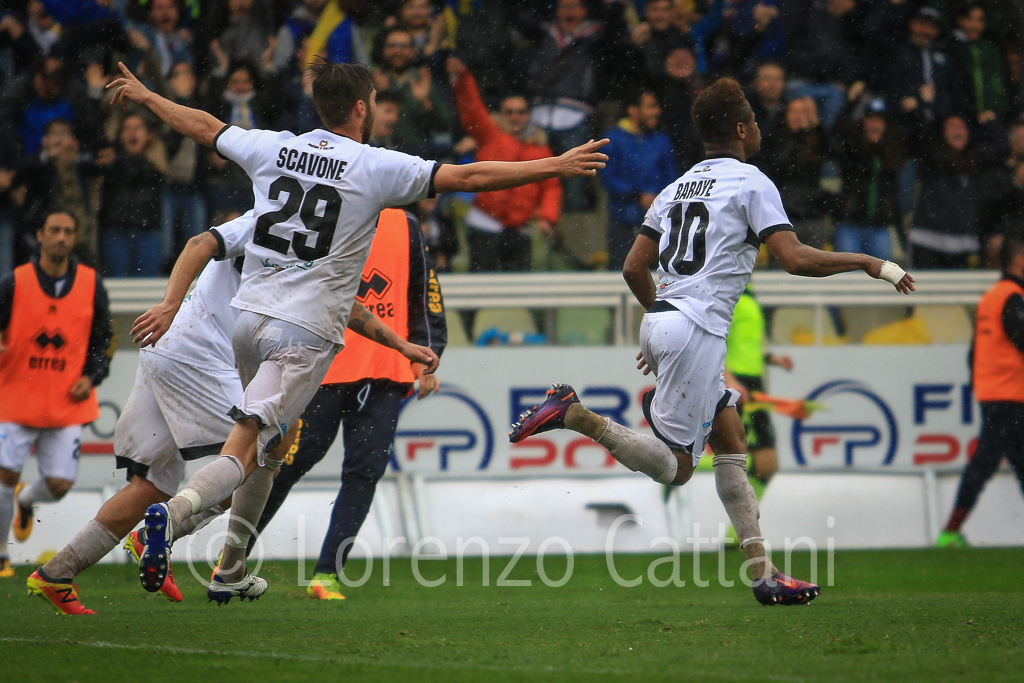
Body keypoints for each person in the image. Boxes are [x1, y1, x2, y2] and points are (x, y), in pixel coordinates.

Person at [107, 58, 607, 603]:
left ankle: (230, 569)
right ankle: (173, 517)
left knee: (271, 449)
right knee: (250, 446)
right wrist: (553, 165)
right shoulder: (374, 166)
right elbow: (467, 177)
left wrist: (150, 97)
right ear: (362, 108)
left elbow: (205, 126)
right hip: (302, 334)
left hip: (247, 321)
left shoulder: (274, 146)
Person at [510, 78, 915, 606]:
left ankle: (764, 574)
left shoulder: (674, 188)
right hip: (695, 329)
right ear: (742, 129)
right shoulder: (751, 182)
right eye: (755, 121)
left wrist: (661, 318)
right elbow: (794, 259)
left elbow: (633, 268)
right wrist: (867, 261)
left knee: (731, 439)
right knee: (676, 468)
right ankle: (576, 415)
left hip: (666, 318)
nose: (759, 128)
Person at [24, 211, 439, 614]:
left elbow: (343, 307)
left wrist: (401, 346)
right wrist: (169, 304)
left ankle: (57, 573)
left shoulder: (280, 219)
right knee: (258, 450)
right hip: (200, 357)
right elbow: (199, 243)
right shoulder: (291, 226)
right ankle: (221, 564)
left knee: (149, 488)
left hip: (164, 349)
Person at [249, 206, 446, 601]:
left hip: (385, 371)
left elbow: (424, 294)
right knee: (287, 464)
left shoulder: (404, 223)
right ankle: (234, 557)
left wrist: (426, 355)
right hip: (322, 366)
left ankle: (327, 575)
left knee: (365, 471)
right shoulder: (324, 212)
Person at [0, 212, 113, 580]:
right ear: (41, 235)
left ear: (75, 237)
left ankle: (26, 499)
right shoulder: (14, 282)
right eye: (55, 231)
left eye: (68, 231)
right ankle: (2, 555)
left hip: (66, 399)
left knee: (60, 485)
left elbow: (103, 339)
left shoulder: (91, 284)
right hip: (16, 396)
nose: (61, 237)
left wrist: (91, 376)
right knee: (4, 474)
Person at [937, 232, 1024, 548]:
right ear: (1018, 260)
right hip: (1010, 395)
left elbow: (974, 353)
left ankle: (950, 532)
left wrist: (982, 385)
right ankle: (949, 534)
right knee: (985, 464)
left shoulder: (992, 297)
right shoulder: (1014, 297)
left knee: (992, 463)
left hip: (995, 394)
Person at [448, 57, 561, 272]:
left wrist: (547, 217)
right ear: (501, 114)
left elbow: (551, 187)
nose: (515, 117)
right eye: (509, 112)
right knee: (480, 283)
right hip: (484, 223)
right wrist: (462, 79)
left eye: (520, 112)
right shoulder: (490, 134)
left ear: (528, 115)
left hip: (520, 228)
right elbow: (471, 109)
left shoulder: (541, 149)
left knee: (519, 285)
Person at [599, 90, 677, 271]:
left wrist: (658, 198)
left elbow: (672, 177)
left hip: (659, 222)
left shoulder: (662, 140)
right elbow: (608, 177)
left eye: (656, 107)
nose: (656, 111)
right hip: (623, 220)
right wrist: (636, 195)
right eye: (650, 107)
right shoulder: (613, 139)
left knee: (661, 278)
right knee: (621, 272)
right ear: (633, 110)